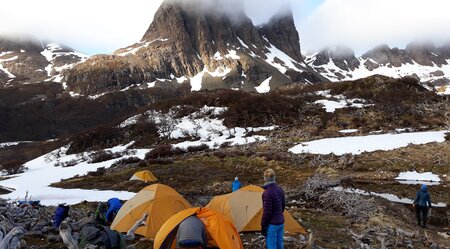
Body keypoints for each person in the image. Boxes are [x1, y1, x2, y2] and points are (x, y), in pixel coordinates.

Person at [261, 168, 285, 249]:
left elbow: (267, 212)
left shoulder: (267, 193)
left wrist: (263, 225)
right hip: (281, 222)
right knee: (280, 245)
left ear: (265, 178)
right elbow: (283, 206)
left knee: (271, 246)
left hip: (272, 225)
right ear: (274, 177)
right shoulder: (279, 189)